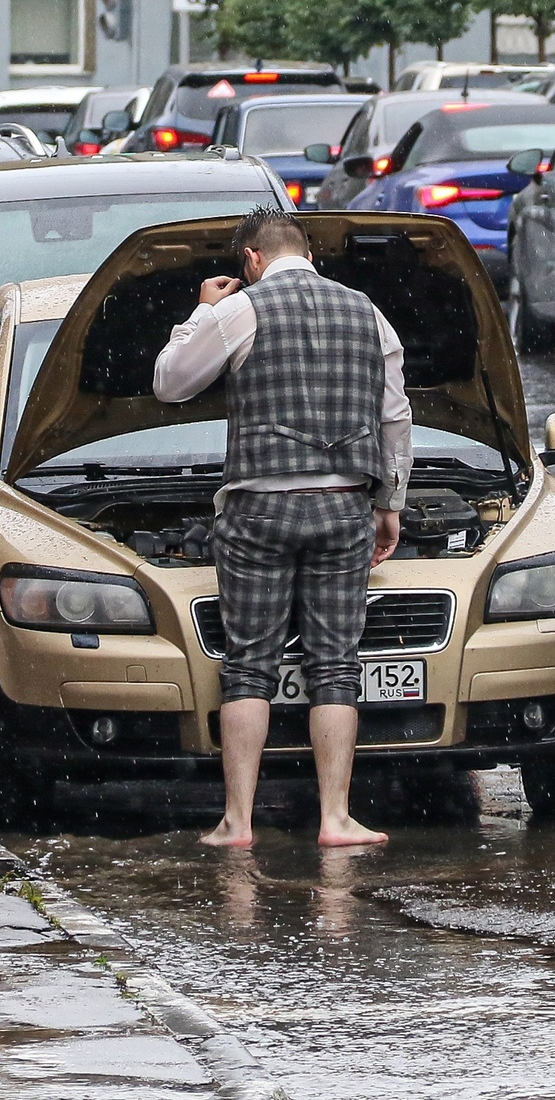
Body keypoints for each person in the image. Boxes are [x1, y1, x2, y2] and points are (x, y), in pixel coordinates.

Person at [153, 207, 411, 848]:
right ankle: (335, 818)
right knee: (336, 665)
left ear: (251, 261)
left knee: (249, 667)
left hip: (259, 510)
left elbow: (169, 383)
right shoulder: (368, 312)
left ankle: (237, 822)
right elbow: (395, 417)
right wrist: (390, 504)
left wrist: (201, 313)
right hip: (344, 507)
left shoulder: (241, 311)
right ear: (310, 256)